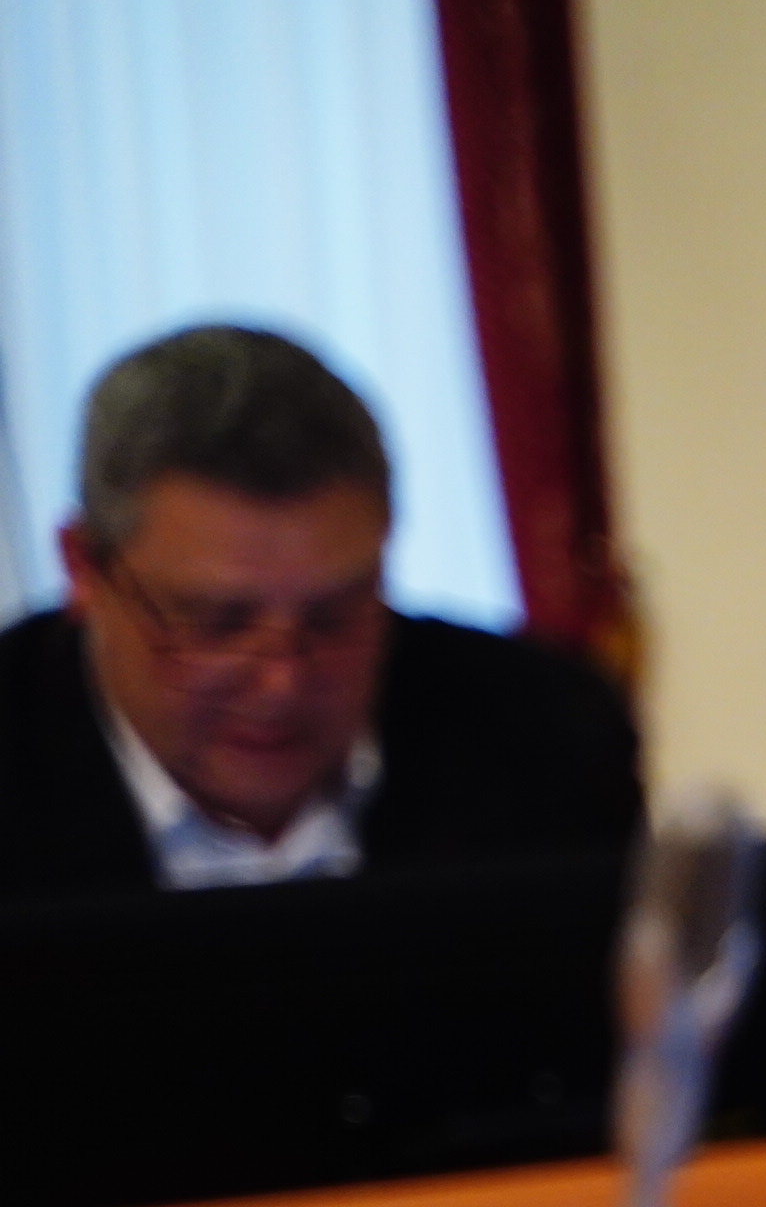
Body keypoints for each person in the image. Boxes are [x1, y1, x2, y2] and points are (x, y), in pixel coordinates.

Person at [0, 324, 639, 904]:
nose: (282, 682)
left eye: (334, 617)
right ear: (84, 569)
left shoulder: (548, 732)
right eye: (219, 624)